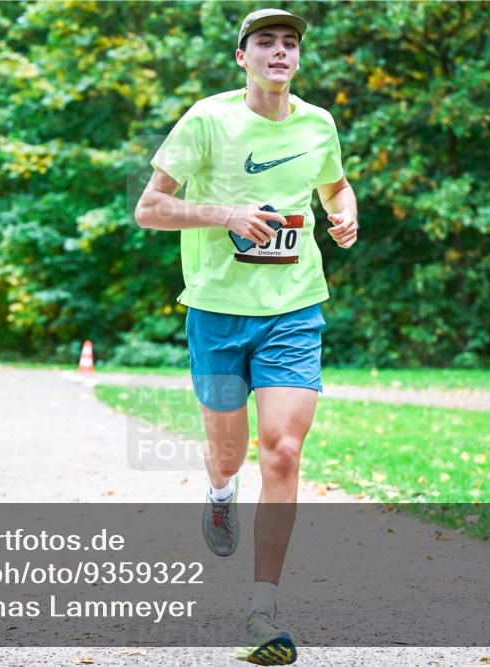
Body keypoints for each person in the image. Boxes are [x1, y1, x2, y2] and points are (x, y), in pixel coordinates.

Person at [134, 8, 359, 665]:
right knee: (227, 453)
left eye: (290, 42)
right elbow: (150, 208)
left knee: (283, 450)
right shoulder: (208, 120)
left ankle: (264, 609)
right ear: (243, 56)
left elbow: (337, 188)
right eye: (266, 41)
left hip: (294, 308)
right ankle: (220, 490)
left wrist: (343, 217)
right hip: (217, 310)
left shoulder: (319, 124)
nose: (280, 51)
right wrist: (226, 212)